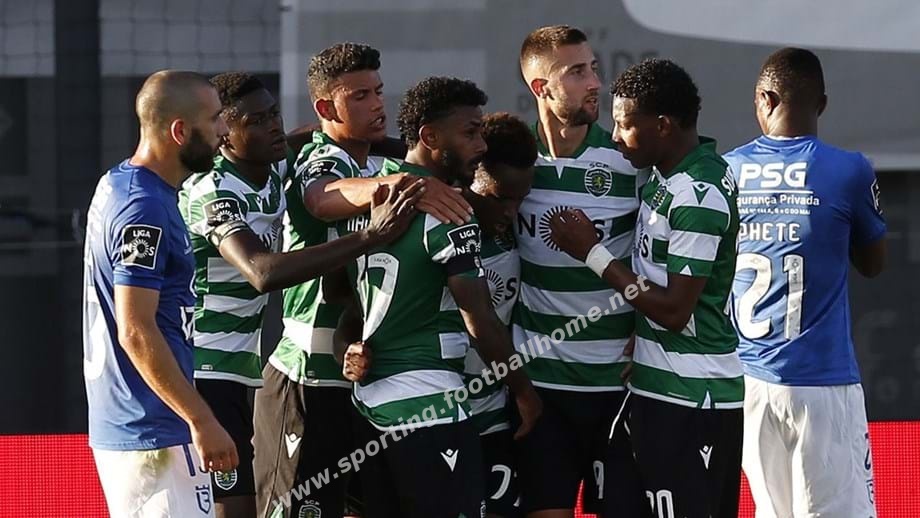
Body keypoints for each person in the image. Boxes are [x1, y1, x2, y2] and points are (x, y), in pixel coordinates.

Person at [178, 71, 421, 518]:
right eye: (256, 121)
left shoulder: (276, 164)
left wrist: (418, 157)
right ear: (225, 132)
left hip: (245, 367)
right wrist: (369, 237)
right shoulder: (213, 189)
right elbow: (261, 272)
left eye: (274, 114)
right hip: (206, 370)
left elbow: (320, 134)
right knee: (234, 508)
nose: (273, 126)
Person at [253, 43, 471, 518]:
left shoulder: (374, 163)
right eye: (359, 96)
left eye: (378, 91)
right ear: (326, 108)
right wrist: (404, 185)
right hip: (306, 378)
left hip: (358, 382)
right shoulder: (323, 159)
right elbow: (320, 198)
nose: (377, 104)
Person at [333, 77, 543, 518]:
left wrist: (346, 350)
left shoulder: (369, 201)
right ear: (429, 136)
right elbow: (478, 318)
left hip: (369, 407)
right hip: (430, 407)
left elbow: (346, 303)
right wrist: (524, 392)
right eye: (470, 133)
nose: (481, 145)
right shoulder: (450, 211)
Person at [550, 58, 743, 518]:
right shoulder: (665, 174)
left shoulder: (698, 194)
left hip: (693, 398)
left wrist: (592, 253)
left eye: (624, 125)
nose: (615, 137)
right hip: (651, 388)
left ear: (662, 125)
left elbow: (676, 310)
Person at [723, 47, 886, 518]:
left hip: (748, 380)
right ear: (823, 104)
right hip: (821, 382)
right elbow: (873, 263)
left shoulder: (728, 171)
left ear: (765, 99)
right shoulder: (848, 169)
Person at [82, 70, 236, 517]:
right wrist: (201, 419)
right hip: (153, 430)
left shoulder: (120, 182)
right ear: (180, 132)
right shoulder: (143, 209)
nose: (225, 130)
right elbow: (134, 328)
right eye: (215, 119)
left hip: (136, 425)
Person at [514, 25, 646, 517]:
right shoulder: (507, 161)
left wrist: (647, 330)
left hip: (617, 387)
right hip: (540, 390)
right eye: (576, 72)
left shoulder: (628, 163)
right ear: (540, 88)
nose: (595, 83)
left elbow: (660, 259)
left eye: (593, 68)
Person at [462, 112, 537, 518]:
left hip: (494, 409)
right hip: (443, 410)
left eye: (520, 199)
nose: (511, 211)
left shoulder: (514, 230)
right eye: (499, 199)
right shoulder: (443, 228)